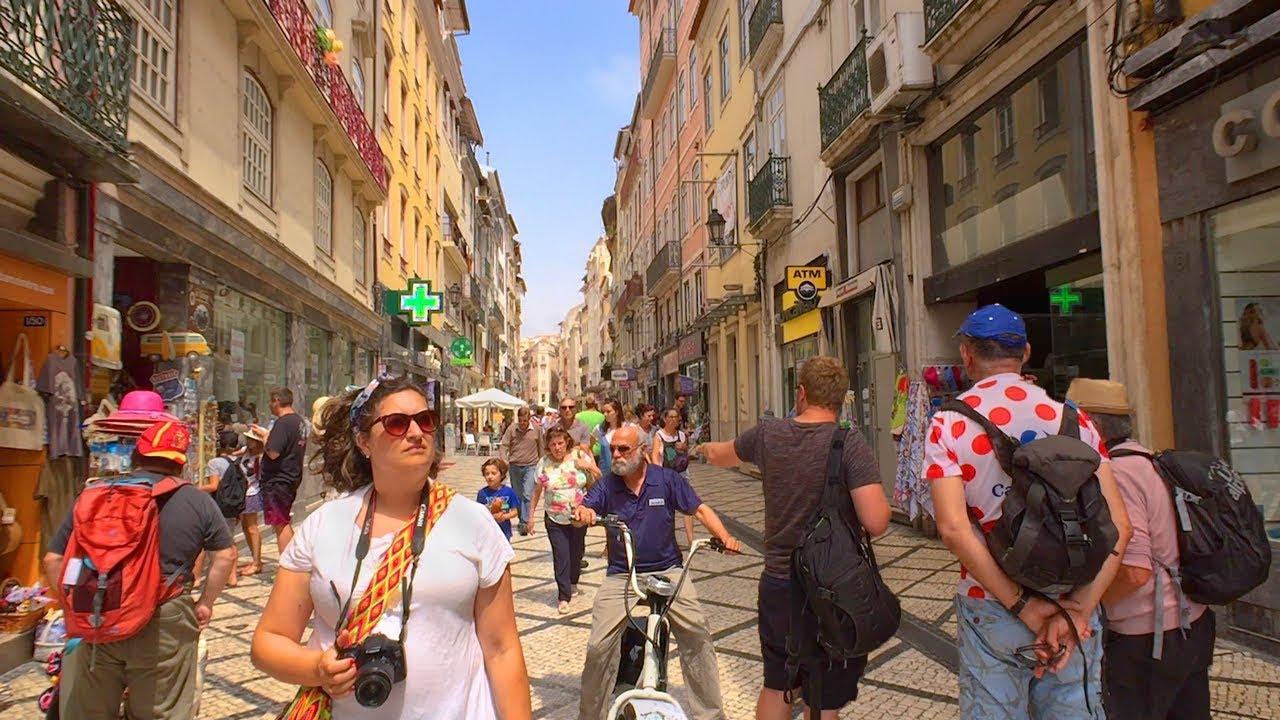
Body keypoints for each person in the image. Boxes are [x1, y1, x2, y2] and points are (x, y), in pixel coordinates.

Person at [250, 376, 531, 720]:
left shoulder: (473, 522)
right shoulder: (324, 525)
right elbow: (269, 640)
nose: (416, 432)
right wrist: (316, 669)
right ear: (363, 441)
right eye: (397, 423)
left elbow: (502, 649)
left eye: (425, 420)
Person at [923, 304, 1131, 719]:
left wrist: (1022, 606)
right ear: (1027, 352)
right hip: (1072, 598)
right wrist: (1079, 611)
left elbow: (952, 528)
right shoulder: (1077, 421)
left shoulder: (948, 424)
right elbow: (1120, 527)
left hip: (991, 603)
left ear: (966, 354)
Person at [697, 356, 891, 719]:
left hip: (781, 582)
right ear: (841, 399)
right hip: (834, 587)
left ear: (800, 394)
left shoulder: (769, 434)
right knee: (825, 697)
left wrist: (704, 448)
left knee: (778, 682)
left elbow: (724, 455)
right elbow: (877, 520)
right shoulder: (849, 443)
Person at [45, 420, 236, 719]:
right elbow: (224, 556)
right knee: (161, 710)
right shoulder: (197, 501)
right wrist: (205, 604)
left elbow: (52, 561)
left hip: (99, 613)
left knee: (89, 711)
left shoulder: (94, 495)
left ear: (137, 455)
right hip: (165, 615)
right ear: (180, 463)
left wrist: (71, 605)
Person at [1065, 379, 1214, 720]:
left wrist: (1083, 607)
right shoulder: (1149, 460)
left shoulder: (1118, 474)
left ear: (1091, 426)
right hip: (1191, 623)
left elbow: (1135, 572)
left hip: (1148, 637)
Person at [572, 425, 741, 720]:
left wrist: (725, 537)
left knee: (697, 635)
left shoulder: (667, 480)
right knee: (599, 647)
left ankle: (711, 716)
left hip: (668, 569)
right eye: (613, 449)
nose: (616, 455)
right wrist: (583, 514)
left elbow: (699, 510)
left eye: (624, 449)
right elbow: (584, 511)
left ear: (643, 450)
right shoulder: (607, 485)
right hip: (622, 574)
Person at [529, 427, 601, 613]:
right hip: (554, 516)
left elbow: (600, 480)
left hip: (578, 516)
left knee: (576, 553)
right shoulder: (543, 463)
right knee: (561, 555)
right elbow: (536, 491)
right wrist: (530, 517)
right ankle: (563, 596)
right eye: (553, 444)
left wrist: (589, 467)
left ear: (566, 442)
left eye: (560, 443)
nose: (557, 447)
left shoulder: (579, 456)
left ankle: (573, 580)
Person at [254, 387, 306, 556]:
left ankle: (288, 564)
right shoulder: (299, 421)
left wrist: (264, 438)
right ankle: (292, 561)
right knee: (283, 520)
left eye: (271, 401)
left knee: (280, 523)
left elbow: (273, 452)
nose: (270, 405)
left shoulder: (283, 423)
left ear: (277, 401)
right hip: (290, 477)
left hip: (278, 480)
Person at [198, 430, 247, 588]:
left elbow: (213, 486)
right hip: (233, 506)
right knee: (230, 541)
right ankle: (232, 577)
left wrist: (194, 489)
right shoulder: (240, 462)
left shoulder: (215, 462)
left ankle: (198, 578)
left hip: (219, 506)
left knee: (206, 542)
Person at [653, 408, 696, 548]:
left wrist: (684, 448)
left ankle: (691, 540)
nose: (673, 419)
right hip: (665, 476)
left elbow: (687, 454)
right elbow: (655, 457)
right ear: (664, 419)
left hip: (681, 476)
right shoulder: (658, 436)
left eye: (675, 417)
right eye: (670, 417)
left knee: (688, 507)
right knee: (667, 509)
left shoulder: (682, 435)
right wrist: (657, 475)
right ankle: (669, 540)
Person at [499, 407, 544, 535]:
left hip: (531, 465)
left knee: (527, 493)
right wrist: (504, 460)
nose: (523, 423)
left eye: (525, 420)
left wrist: (542, 464)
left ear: (529, 418)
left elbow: (541, 448)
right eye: (521, 421)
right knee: (517, 494)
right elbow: (504, 446)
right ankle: (521, 518)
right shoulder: (512, 429)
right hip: (515, 466)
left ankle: (524, 522)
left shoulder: (537, 430)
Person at [237, 426, 266, 576]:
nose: (248, 441)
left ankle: (257, 561)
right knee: (245, 526)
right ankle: (255, 559)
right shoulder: (246, 451)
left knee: (252, 527)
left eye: (252, 439)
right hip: (244, 492)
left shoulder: (261, 457)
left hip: (253, 492)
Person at [477, 458, 521, 542]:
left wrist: (504, 517)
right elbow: (479, 513)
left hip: (504, 531)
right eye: (487, 474)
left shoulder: (509, 492)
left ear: (501, 474)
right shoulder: (482, 493)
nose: (490, 477)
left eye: (493, 473)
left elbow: (515, 511)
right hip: (488, 532)